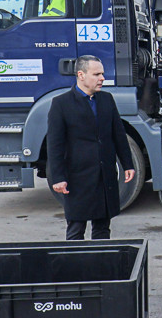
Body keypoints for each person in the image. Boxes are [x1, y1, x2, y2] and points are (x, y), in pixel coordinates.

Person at [47, 55, 135, 239]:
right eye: (96, 74)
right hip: (78, 178)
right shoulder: (61, 104)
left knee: (103, 230)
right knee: (76, 230)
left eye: (102, 74)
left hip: (105, 176)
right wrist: (58, 177)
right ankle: (75, 260)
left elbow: (118, 134)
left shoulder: (106, 99)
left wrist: (128, 164)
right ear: (81, 75)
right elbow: (55, 145)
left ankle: (101, 259)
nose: (102, 78)